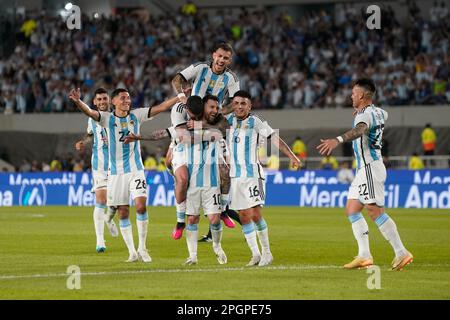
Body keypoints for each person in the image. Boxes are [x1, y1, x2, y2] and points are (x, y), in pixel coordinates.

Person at [69, 87, 179, 262]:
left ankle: (142, 248)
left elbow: (161, 107)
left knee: (141, 206)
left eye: (128, 97)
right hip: (116, 173)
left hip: (136, 170)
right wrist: (77, 102)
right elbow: (89, 112)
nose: (127, 100)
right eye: (122, 98)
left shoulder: (137, 115)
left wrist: (179, 97)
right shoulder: (107, 119)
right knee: (123, 212)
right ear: (114, 102)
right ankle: (132, 252)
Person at [317, 78, 413, 271]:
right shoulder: (378, 112)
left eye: (354, 93)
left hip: (370, 167)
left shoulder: (366, 116)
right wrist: (361, 112)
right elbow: (382, 114)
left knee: (374, 211)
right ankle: (364, 255)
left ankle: (401, 252)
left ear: (361, 95)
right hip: (364, 169)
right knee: (352, 208)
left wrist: (338, 139)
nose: (351, 96)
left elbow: (360, 130)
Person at [227, 90, 301, 266]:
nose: (239, 107)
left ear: (249, 106)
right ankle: (256, 254)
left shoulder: (256, 122)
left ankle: (267, 253)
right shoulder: (228, 121)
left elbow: (274, 139)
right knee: (243, 215)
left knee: (254, 213)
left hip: (253, 174)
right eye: (236, 103)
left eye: (243, 103)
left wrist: (292, 156)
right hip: (235, 176)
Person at [74, 88, 119, 253]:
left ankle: (109, 219)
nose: (102, 102)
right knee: (101, 200)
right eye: (99, 99)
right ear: (94, 102)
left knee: (116, 203)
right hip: (99, 166)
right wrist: (83, 143)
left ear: (109, 100)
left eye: (104, 99)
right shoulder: (92, 118)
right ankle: (100, 240)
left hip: (117, 166)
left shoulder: (117, 117)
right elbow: (90, 136)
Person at [172, 42, 239, 113]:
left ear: (229, 61)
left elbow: (237, 102)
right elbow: (176, 79)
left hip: (212, 118)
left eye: (225, 58)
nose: (221, 60)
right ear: (214, 56)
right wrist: (181, 96)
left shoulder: (232, 78)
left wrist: (221, 112)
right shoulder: (200, 67)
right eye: (219, 56)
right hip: (193, 112)